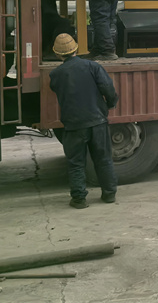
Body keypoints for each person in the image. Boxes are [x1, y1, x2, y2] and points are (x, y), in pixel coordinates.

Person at [49, 33, 118, 209]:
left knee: (76, 163)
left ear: (57, 54)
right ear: (76, 49)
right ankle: (109, 194)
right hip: (97, 121)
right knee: (103, 159)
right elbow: (108, 88)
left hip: (74, 125)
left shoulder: (56, 74)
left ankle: (79, 199)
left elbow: (56, 89)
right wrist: (110, 104)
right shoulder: (93, 66)